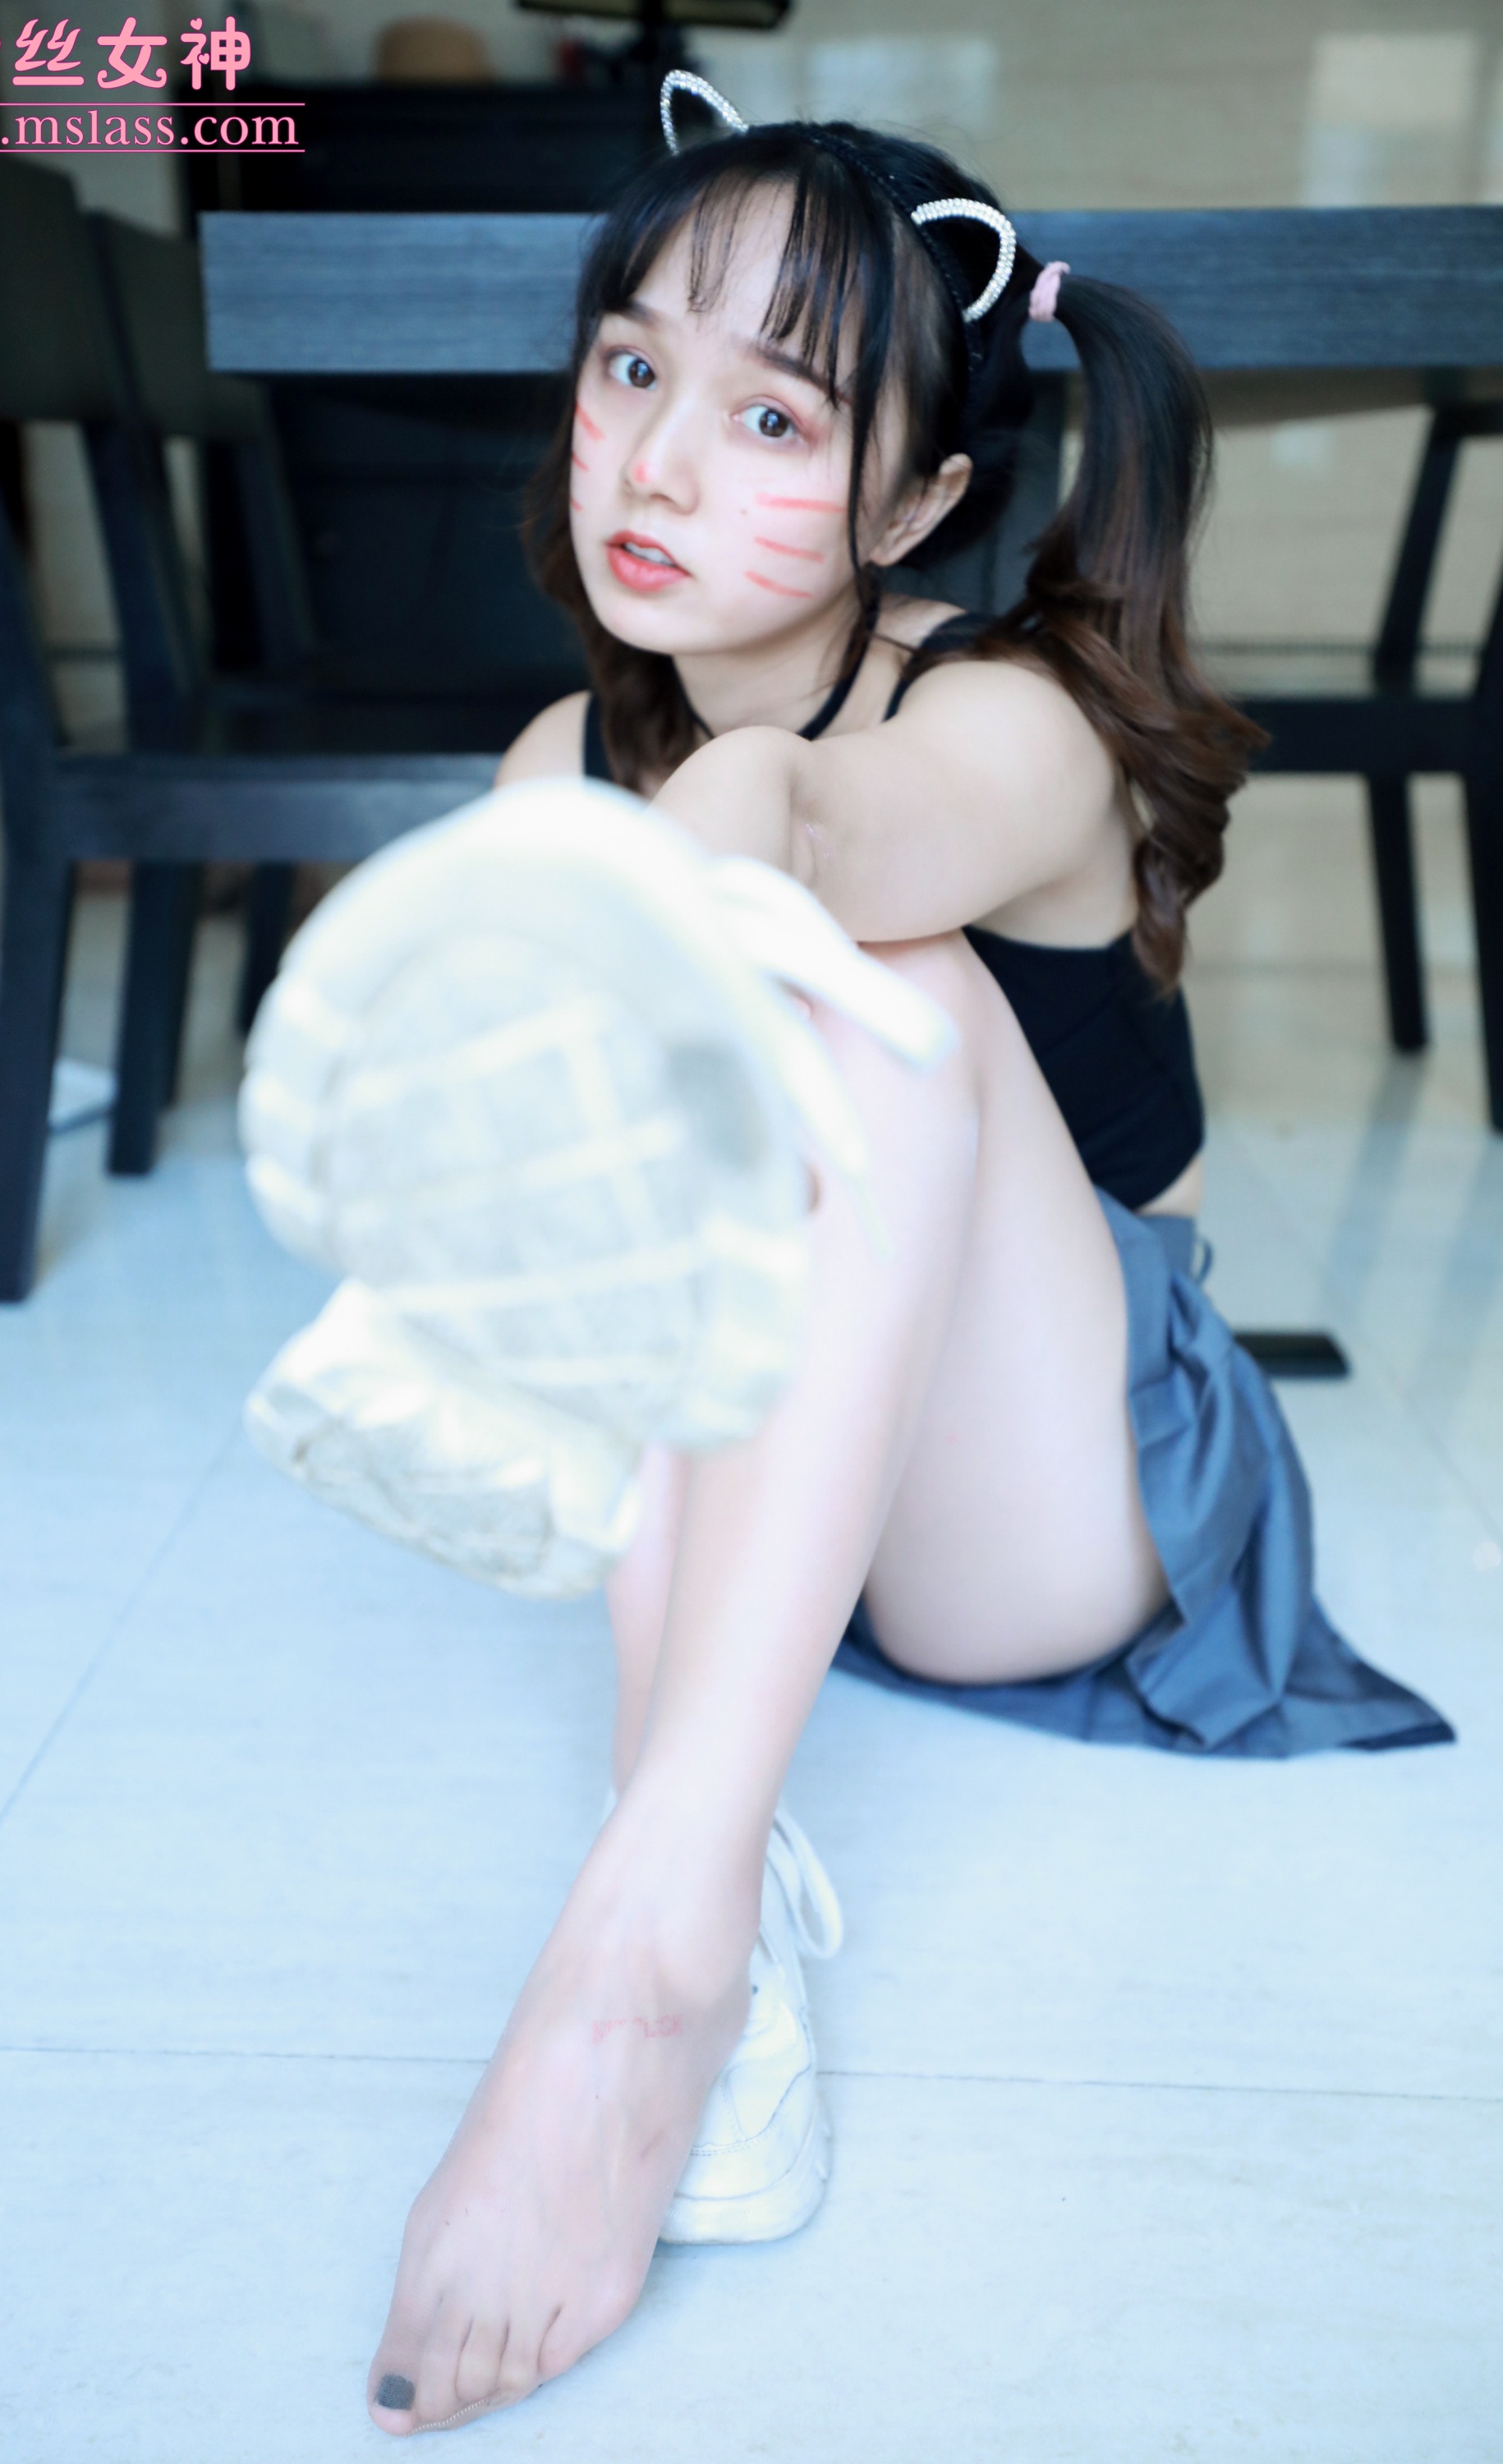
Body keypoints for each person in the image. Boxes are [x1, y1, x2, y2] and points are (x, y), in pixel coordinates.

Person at [237, 77, 1451, 2438]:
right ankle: (690, 1831)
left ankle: (651, 1952)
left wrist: (682, 868)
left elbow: (823, 829)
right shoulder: (561, 756)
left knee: (862, 987)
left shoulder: (1007, 722)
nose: (660, 462)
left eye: (773, 415)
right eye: (631, 366)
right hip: (794, 1474)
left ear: (915, 505)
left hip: (1066, 1502)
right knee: (645, 1058)